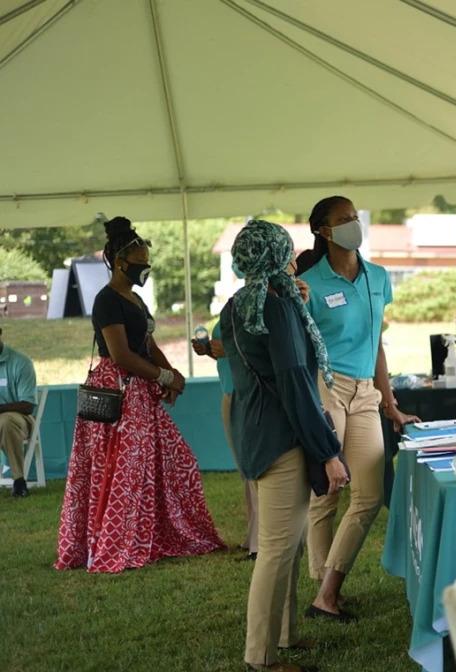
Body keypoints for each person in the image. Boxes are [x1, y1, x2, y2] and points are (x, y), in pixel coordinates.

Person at [56, 216, 223, 573]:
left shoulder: (134, 299)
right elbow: (121, 355)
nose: (145, 269)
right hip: (118, 389)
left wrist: (171, 375)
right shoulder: (106, 301)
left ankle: (152, 535)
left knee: (172, 463)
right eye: (140, 263)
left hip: (140, 390)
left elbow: (146, 343)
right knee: (125, 471)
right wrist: (163, 374)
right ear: (119, 263)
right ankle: (116, 543)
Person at [221, 219, 349, 672]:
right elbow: (296, 382)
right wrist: (328, 451)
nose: (295, 261)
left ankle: (286, 636)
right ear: (274, 258)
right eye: (288, 253)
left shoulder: (238, 306)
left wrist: (296, 305)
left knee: (288, 545)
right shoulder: (276, 308)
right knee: (277, 550)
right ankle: (261, 658)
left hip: (255, 434)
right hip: (281, 439)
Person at [297, 195, 420, 619]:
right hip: (326, 386)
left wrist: (391, 405)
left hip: (365, 391)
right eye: (343, 220)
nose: (354, 224)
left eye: (355, 217)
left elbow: (377, 344)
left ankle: (326, 588)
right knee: (328, 491)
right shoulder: (310, 284)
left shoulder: (379, 277)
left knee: (369, 494)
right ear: (324, 231)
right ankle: (324, 590)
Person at [194, 261, 310, 560]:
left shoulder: (279, 304)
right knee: (251, 472)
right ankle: (257, 538)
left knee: (266, 473)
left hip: (258, 399)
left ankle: (266, 543)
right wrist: (209, 348)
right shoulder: (240, 304)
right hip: (237, 392)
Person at [0, 327, 37, 498]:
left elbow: (28, 405)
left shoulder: (20, 362)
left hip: (19, 419)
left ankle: (19, 480)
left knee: (6, 421)